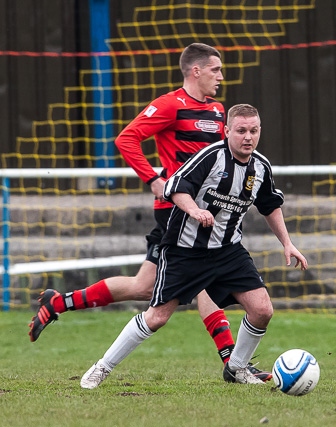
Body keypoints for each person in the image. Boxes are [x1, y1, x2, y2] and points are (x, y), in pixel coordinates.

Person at [28, 43, 270, 381]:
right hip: (175, 210)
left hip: (207, 212)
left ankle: (59, 303)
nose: (221, 76)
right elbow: (127, 139)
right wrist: (154, 179)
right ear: (195, 71)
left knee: (146, 285)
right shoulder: (170, 105)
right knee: (198, 282)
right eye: (215, 69)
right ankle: (234, 364)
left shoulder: (218, 111)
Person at [80, 103, 307, 389]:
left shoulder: (260, 166)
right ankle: (103, 367)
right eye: (241, 131)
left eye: (253, 131)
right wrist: (194, 211)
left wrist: (288, 244)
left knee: (262, 310)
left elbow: (270, 206)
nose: (248, 137)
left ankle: (236, 369)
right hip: (185, 250)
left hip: (228, 251)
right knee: (157, 317)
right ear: (226, 132)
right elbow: (174, 187)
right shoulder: (210, 157)